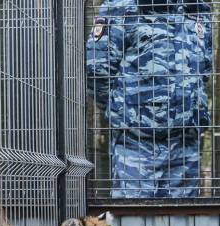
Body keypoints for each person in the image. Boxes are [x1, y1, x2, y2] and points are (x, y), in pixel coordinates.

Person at [86, 0, 212, 198]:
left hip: (184, 143)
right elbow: (98, 70)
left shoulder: (194, 8)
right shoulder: (119, 8)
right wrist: (121, 112)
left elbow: (204, 68)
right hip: (136, 144)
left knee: (184, 223)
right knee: (134, 220)